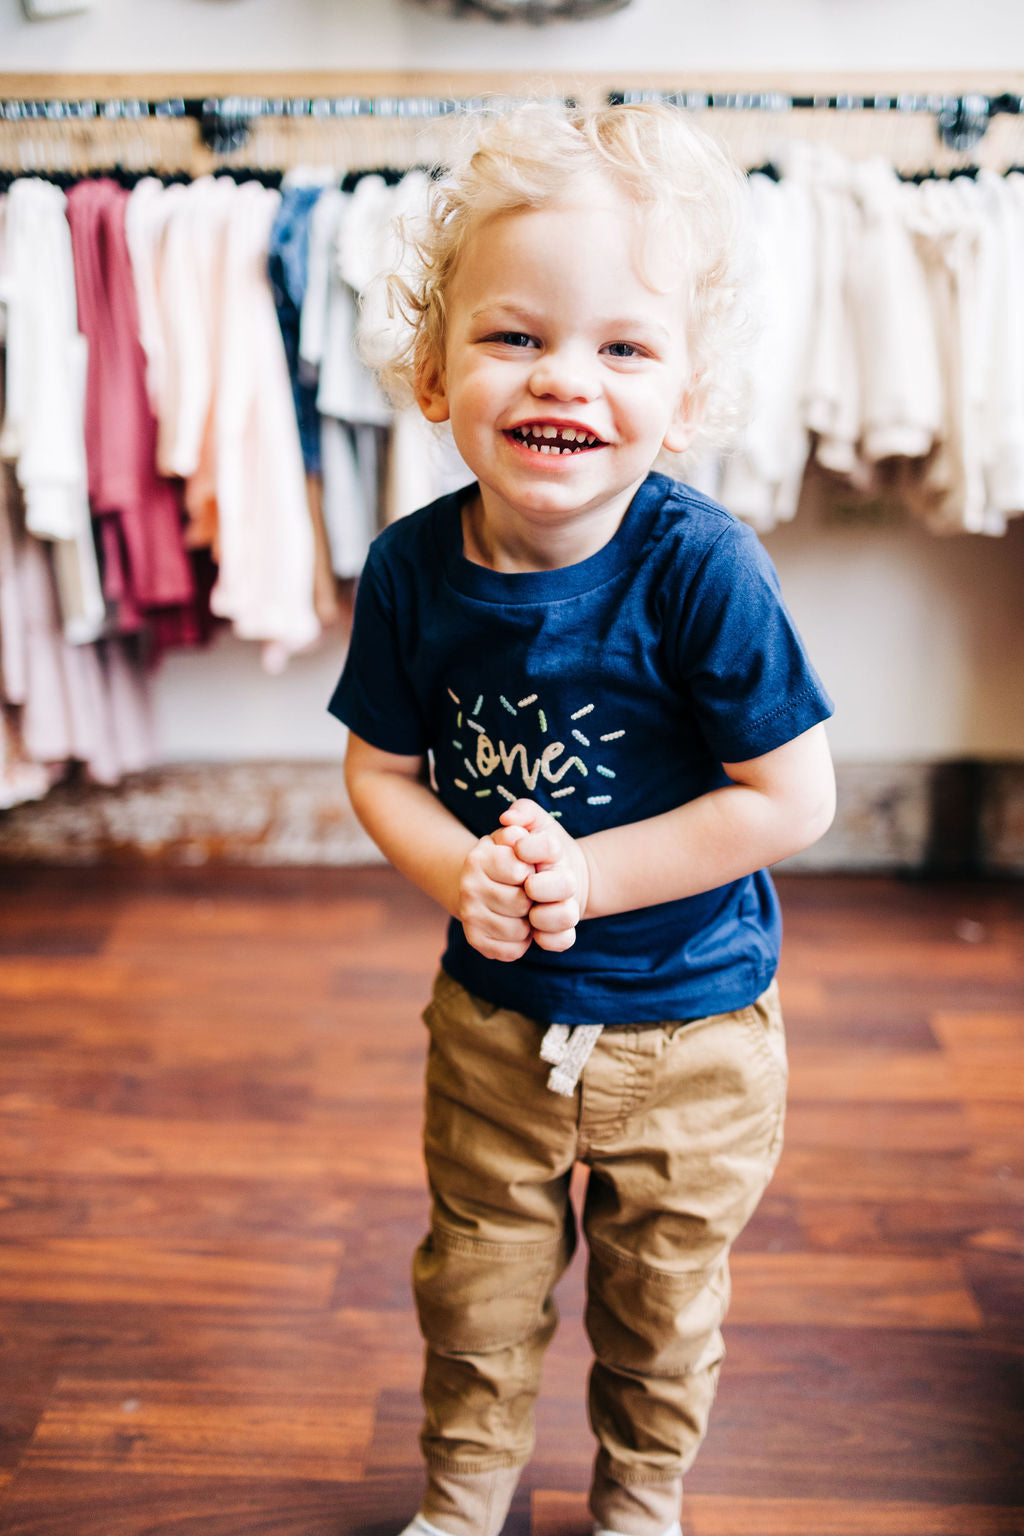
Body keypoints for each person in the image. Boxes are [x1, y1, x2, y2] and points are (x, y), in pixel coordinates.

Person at [329, 101, 836, 1536]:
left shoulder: (705, 571)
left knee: (661, 1305)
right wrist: (462, 876)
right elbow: (380, 775)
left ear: (687, 393)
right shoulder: (412, 572)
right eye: (515, 335)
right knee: (476, 1284)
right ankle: (463, 1495)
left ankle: (640, 1500)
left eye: (623, 346)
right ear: (434, 375)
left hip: (692, 1031)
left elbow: (795, 797)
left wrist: (591, 877)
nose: (568, 376)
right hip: (494, 1022)